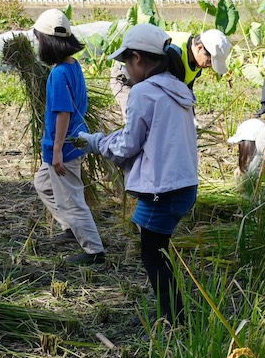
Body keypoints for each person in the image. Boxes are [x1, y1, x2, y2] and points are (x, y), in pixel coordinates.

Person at [79, 24, 198, 325]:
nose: (126, 71)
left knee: (153, 256)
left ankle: (175, 320)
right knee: (158, 252)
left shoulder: (144, 91)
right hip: (183, 185)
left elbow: (128, 144)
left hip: (163, 189)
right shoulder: (178, 88)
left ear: (138, 59)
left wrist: (97, 142)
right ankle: (169, 313)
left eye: (126, 63)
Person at [30, 9, 106, 266]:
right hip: (72, 140)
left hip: (65, 145)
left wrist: (58, 150)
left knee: (71, 199)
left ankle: (94, 251)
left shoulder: (59, 73)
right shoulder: (73, 66)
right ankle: (70, 228)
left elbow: (63, 113)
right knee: (43, 183)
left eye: (39, 39)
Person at [166, 29, 231, 90]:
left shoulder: (197, 60)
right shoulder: (173, 51)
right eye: (210, 61)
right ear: (200, 48)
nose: (210, 66)